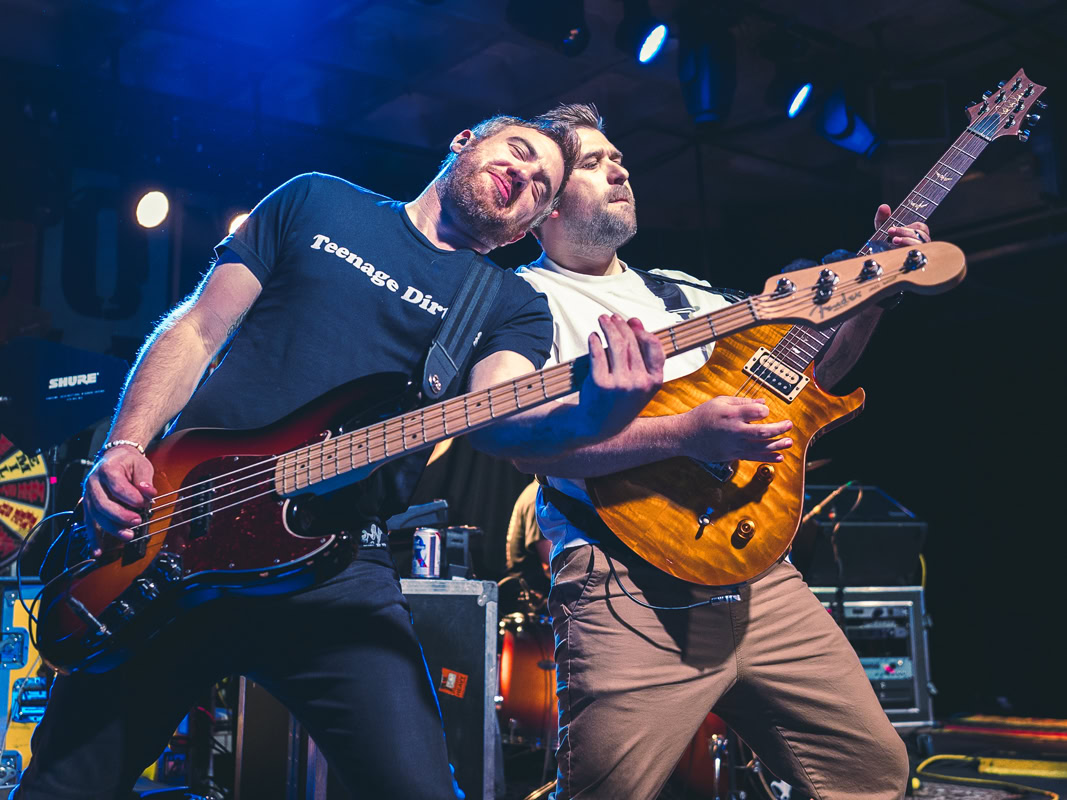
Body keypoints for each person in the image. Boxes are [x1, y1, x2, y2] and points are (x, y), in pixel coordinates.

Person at [16, 114, 669, 800]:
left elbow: (499, 419)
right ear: (464, 142)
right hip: (181, 526)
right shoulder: (318, 199)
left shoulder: (510, 304)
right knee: (65, 784)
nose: (524, 175)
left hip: (336, 570)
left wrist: (599, 413)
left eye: (541, 186)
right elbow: (199, 328)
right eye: (518, 151)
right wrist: (125, 445)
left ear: (524, 229)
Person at [503, 103, 929, 800]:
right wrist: (686, 433)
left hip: (759, 572)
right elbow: (530, 445)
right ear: (545, 202)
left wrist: (876, 292)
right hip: (626, 580)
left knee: (871, 770)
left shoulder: (687, 292)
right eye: (593, 162)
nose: (619, 170)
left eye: (619, 159)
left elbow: (811, 379)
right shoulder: (522, 301)